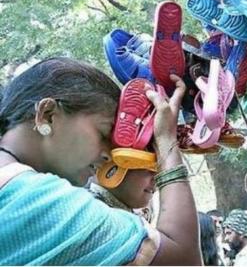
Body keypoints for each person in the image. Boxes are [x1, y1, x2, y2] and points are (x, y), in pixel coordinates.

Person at [0, 57, 202, 265]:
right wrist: (166, 142)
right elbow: (183, 260)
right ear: (48, 115)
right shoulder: (37, 199)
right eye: (104, 133)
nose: (108, 154)